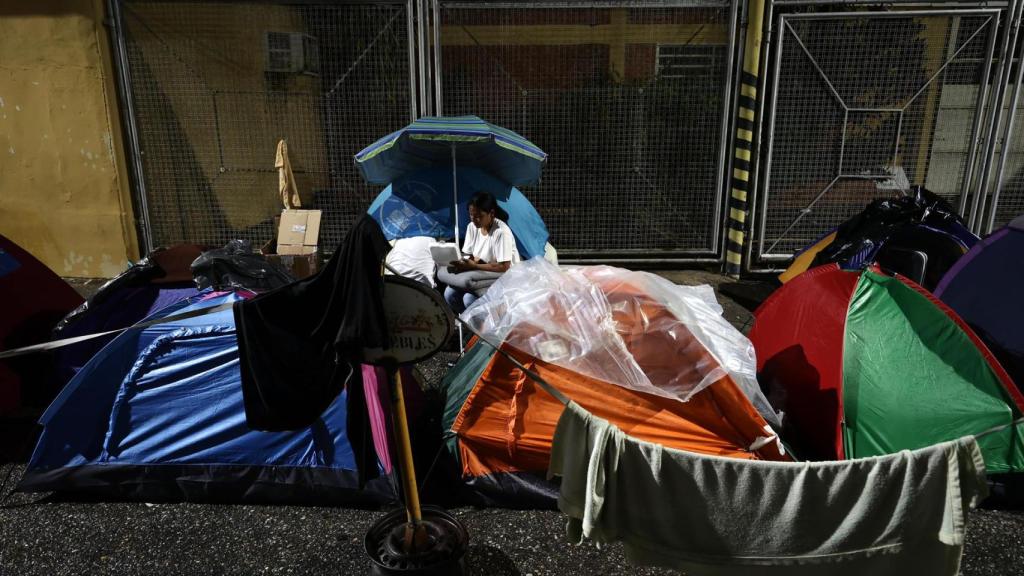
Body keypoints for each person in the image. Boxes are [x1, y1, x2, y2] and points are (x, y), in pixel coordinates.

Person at [443, 191, 520, 313]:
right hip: (482, 275)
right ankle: (471, 325)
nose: (475, 220)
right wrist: (462, 262)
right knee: (449, 293)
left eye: (479, 216)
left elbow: (504, 266)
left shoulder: (501, 232)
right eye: (471, 215)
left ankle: (480, 328)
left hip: (504, 278)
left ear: (492, 213)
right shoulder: (472, 227)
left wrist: (474, 265)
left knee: (469, 299)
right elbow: (472, 256)